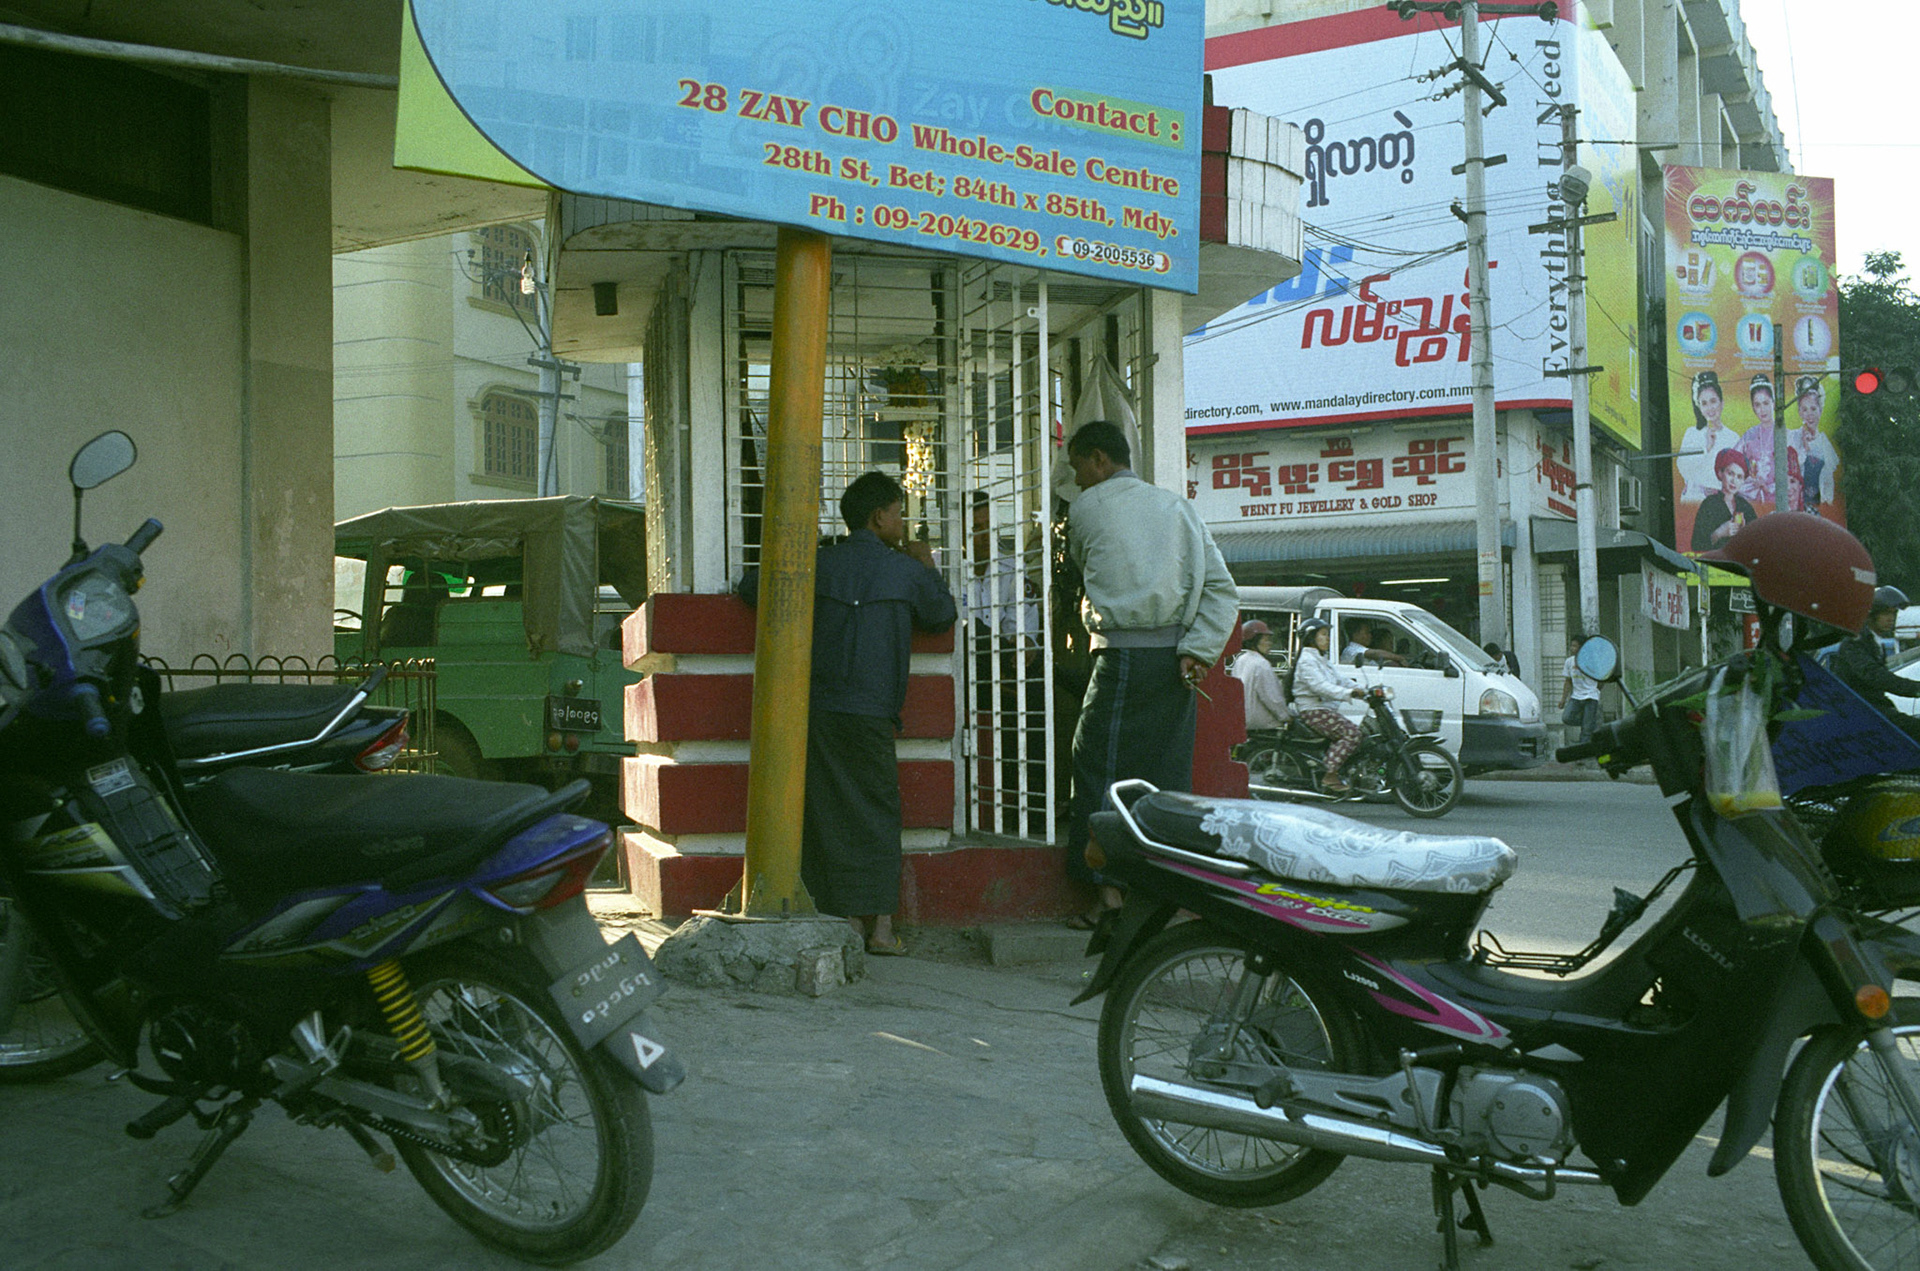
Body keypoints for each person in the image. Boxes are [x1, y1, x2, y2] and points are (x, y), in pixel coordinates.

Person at [741, 471, 957, 956]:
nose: (903, 522)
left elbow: (751, 588)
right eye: (899, 513)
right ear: (879, 517)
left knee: (825, 812)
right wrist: (927, 565)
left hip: (818, 711)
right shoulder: (905, 570)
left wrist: (795, 551)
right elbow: (942, 615)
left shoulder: (821, 562)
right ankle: (881, 927)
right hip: (874, 713)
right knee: (879, 811)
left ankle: (845, 924)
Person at [1063, 420, 1237, 927]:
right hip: (1177, 664)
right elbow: (1222, 590)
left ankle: (1108, 896)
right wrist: (1198, 649)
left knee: (1097, 766)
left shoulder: (1087, 508)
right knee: (1163, 776)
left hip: (1123, 660)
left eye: (1078, 467)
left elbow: (1083, 565)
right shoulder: (1178, 507)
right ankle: (1161, 893)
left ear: (1099, 459)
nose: (1076, 481)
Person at [967, 491, 1044, 835]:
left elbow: (1022, 637)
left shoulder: (1013, 569)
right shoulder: (948, 567)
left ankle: (1024, 813)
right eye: (975, 529)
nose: (983, 537)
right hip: (966, 673)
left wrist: (1020, 645)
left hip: (1004, 673)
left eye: (988, 527)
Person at [1832, 586, 1920, 743]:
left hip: (1874, 709)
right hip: (1858, 712)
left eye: (1894, 613)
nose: (1891, 618)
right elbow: (1875, 675)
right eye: (1886, 613)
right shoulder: (1854, 643)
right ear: (1871, 614)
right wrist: (1916, 689)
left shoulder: (1874, 642)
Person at [1289, 617, 1366, 793]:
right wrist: (1349, 693)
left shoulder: (1321, 659)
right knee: (1351, 733)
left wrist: (1364, 690)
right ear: (1311, 638)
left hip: (1324, 709)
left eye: (1327, 634)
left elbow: (1340, 680)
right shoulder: (1307, 660)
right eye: (1323, 634)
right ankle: (1330, 776)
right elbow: (1320, 686)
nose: (1327, 638)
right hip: (1314, 711)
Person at [1676, 371, 1740, 503]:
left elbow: (1738, 475)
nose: (1710, 408)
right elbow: (1683, 468)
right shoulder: (1692, 433)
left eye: (1713, 401)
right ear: (1699, 407)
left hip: (1723, 503)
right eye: (1704, 403)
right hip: (1694, 501)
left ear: (1721, 402)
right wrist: (1706, 448)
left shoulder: (1733, 438)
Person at [1788, 375, 1841, 513]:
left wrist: (1827, 504)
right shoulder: (1793, 437)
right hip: (1794, 506)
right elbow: (1787, 472)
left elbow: (1829, 478)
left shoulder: (1825, 442)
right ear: (1799, 412)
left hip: (1817, 507)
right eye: (1804, 410)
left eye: (1813, 409)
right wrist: (1804, 447)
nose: (1809, 414)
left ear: (1820, 410)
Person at [1690, 449, 1758, 552]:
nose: (1734, 481)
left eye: (1739, 477)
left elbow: (1758, 542)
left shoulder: (1745, 507)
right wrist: (1719, 533)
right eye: (1730, 473)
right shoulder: (1709, 504)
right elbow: (1697, 545)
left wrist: (1745, 532)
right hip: (1717, 563)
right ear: (1721, 473)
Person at [1229, 620, 1289, 732]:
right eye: (1265, 640)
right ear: (1254, 641)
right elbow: (1272, 698)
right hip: (1262, 723)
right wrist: (1286, 716)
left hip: (1242, 721)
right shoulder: (1261, 664)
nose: (1269, 643)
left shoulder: (1241, 660)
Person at [1736, 373, 1782, 505]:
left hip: (1778, 498)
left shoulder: (1784, 433)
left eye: (1766, 403)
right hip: (1751, 497)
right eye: (1757, 405)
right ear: (1753, 407)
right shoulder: (1749, 435)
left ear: (1773, 403)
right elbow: (1734, 462)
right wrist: (1751, 479)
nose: (1762, 410)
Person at [1561, 634, 1603, 744]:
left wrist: (1596, 690)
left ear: (1581, 647)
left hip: (1591, 696)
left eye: (1574, 646)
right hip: (1576, 696)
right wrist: (1563, 699)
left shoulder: (1592, 661)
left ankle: (1583, 753)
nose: (1572, 648)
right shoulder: (1569, 662)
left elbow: (1601, 679)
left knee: (1586, 731)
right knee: (1567, 717)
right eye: (1571, 646)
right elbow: (1568, 681)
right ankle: (1589, 723)